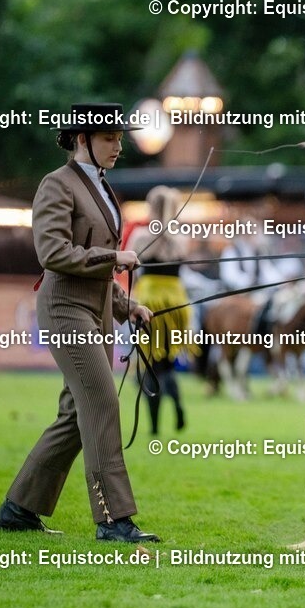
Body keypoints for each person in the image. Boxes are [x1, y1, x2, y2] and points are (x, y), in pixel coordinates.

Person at [0, 103, 159, 542]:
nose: (119, 145)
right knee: (103, 402)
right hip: (65, 309)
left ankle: (19, 508)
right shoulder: (56, 185)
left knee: (75, 414)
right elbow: (52, 253)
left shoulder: (102, 187)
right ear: (81, 139)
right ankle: (113, 519)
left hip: (99, 309)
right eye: (110, 138)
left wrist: (127, 307)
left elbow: (101, 267)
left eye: (120, 138)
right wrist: (115, 256)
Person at [125, 186, 198, 435]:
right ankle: (177, 405)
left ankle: (154, 427)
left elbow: (132, 268)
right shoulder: (181, 238)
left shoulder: (141, 236)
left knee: (149, 365)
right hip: (176, 304)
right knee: (166, 363)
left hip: (150, 304)